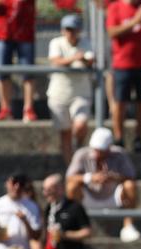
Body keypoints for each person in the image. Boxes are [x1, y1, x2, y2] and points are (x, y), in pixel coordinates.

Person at [66, 127, 141, 243]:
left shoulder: (120, 154)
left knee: (130, 185)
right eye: (96, 149)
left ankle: (128, 225)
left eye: (101, 150)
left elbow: (131, 176)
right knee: (72, 186)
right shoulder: (81, 154)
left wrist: (114, 178)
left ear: (109, 148)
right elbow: (69, 178)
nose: (97, 153)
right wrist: (90, 178)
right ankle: (75, 224)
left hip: (113, 196)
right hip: (88, 197)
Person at [107, 0, 141, 152]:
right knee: (120, 103)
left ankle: (139, 138)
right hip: (122, 64)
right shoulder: (115, 7)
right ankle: (119, 138)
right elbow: (112, 32)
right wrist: (135, 21)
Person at [48, 14, 95, 165]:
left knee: (80, 126)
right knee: (65, 134)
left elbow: (91, 61)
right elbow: (56, 61)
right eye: (68, 29)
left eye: (73, 29)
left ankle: (78, 147)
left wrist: (82, 59)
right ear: (63, 30)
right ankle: (71, 169)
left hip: (81, 93)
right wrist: (75, 58)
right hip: (59, 94)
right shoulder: (56, 42)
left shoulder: (86, 42)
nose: (71, 33)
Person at [0, 0, 37, 122]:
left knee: (28, 72)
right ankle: (5, 109)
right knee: (1, 72)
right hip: (2, 32)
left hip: (25, 31)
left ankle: (28, 110)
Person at [42, 174, 92, 249]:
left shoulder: (75, 207)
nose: (45, 193)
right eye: (44, 190)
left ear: (60, 188)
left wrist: (64, 235)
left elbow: (87, 232)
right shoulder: (49, 208)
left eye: (49, 190)